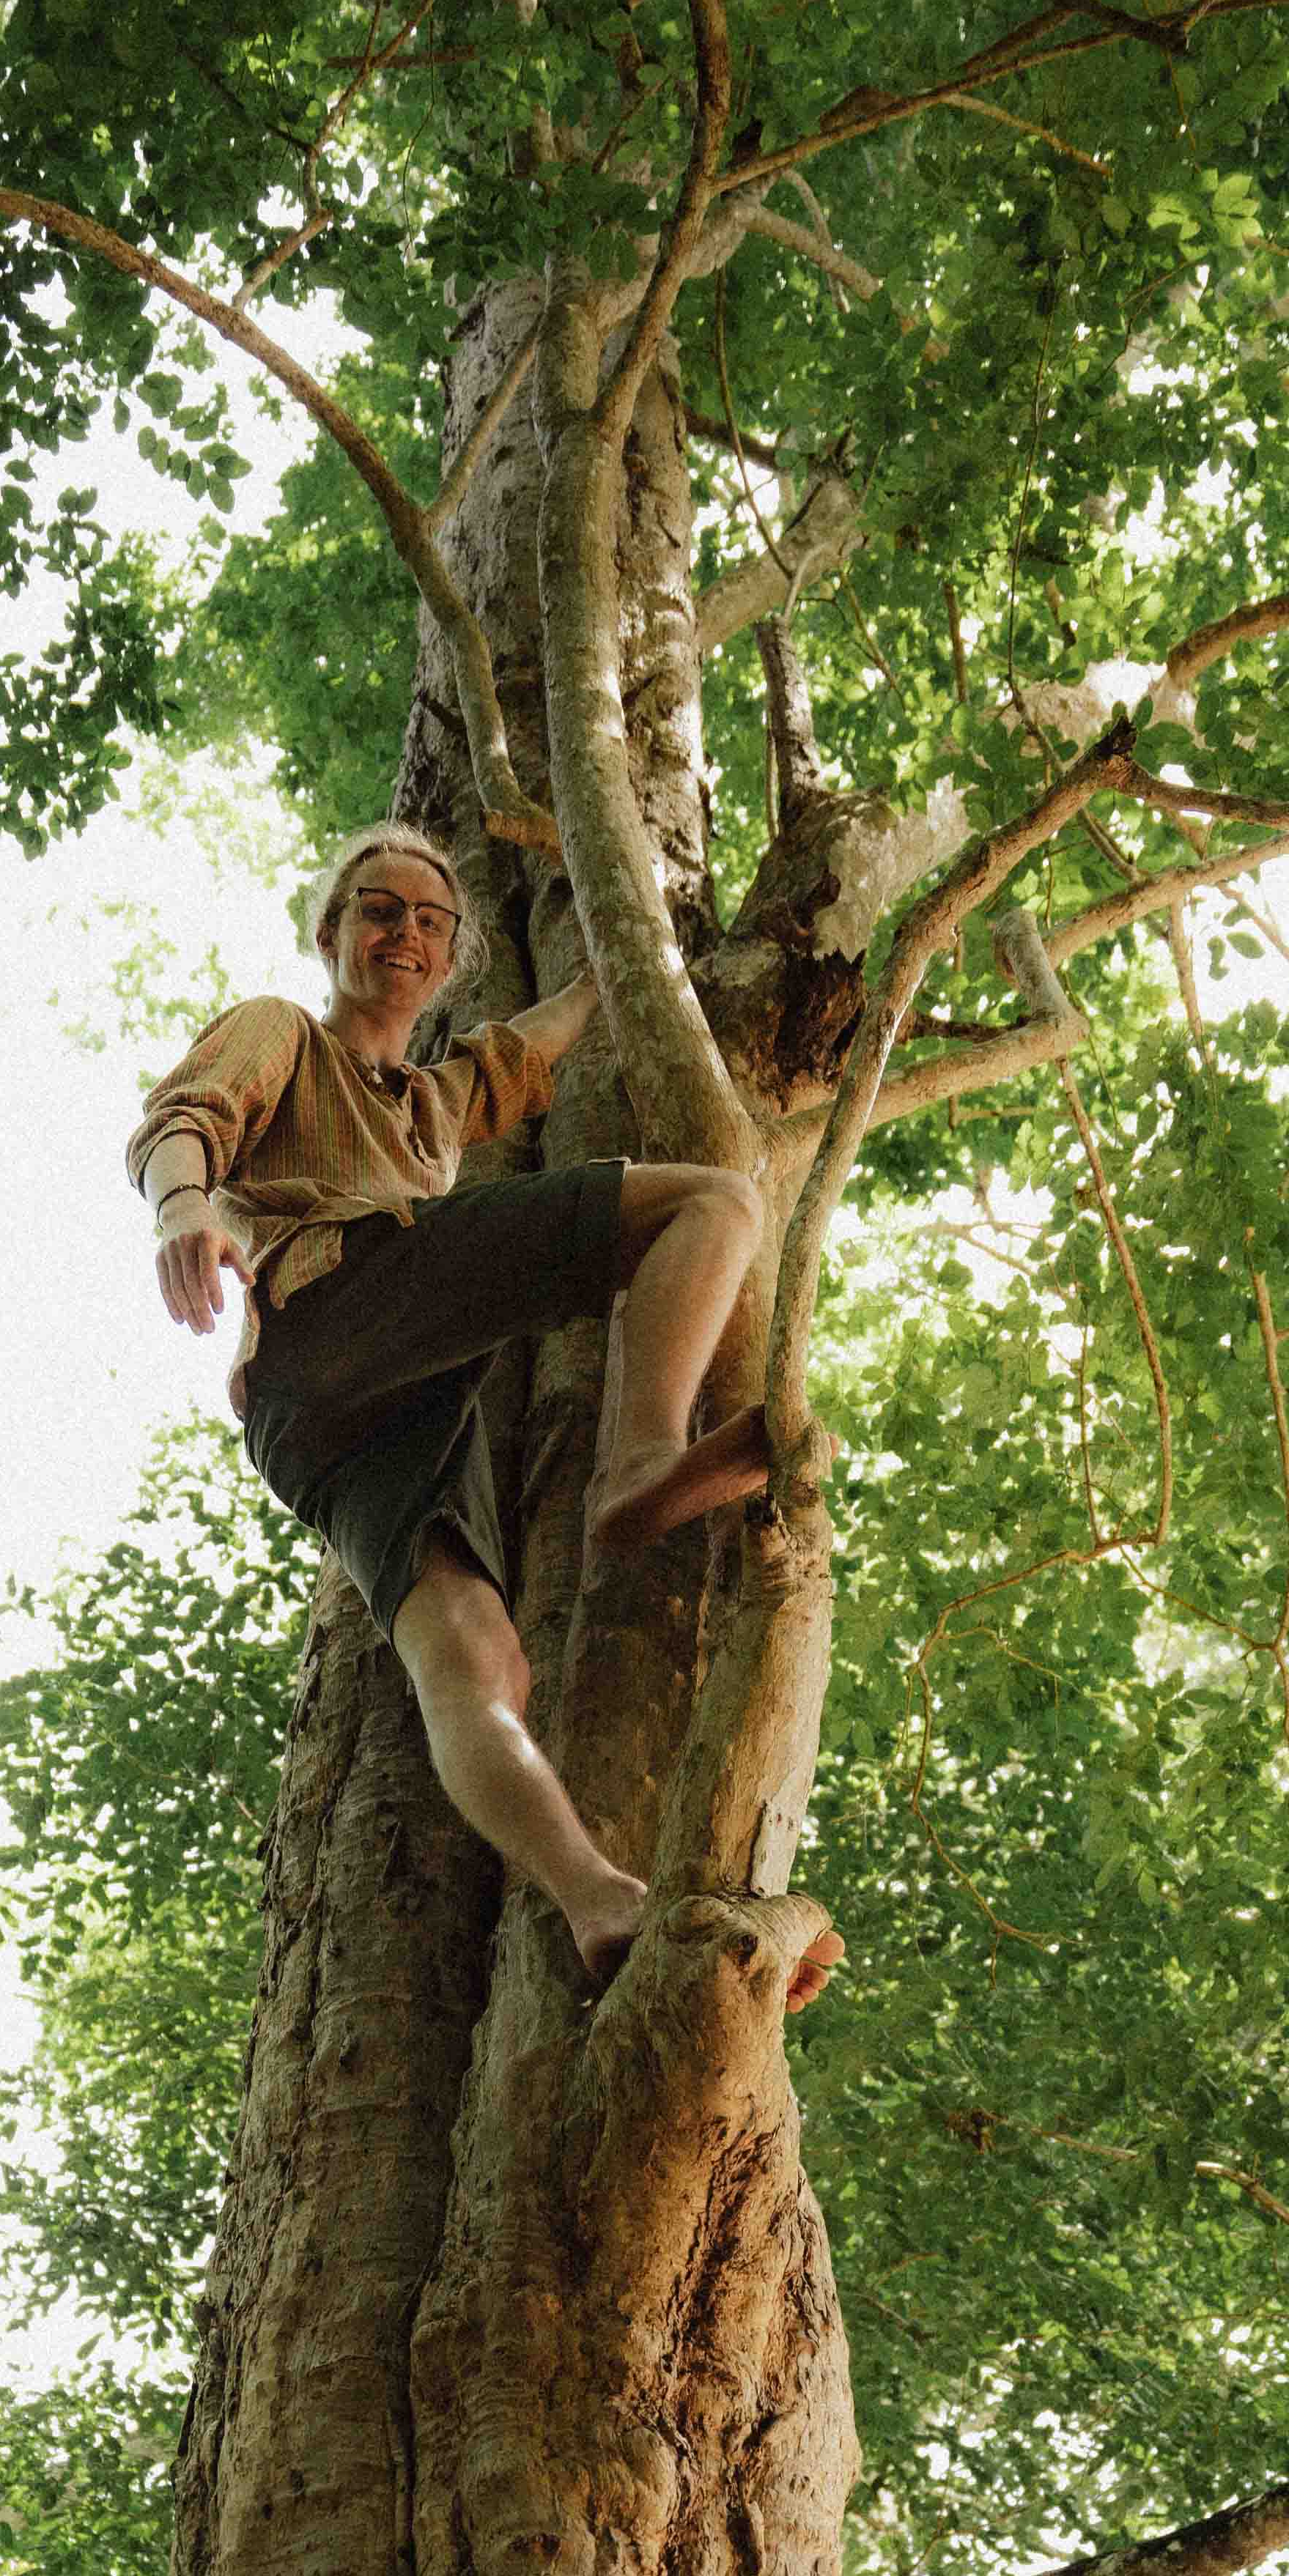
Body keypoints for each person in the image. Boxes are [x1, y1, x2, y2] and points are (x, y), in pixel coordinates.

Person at [128, 821, 780, 1996]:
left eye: (433, 924)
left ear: (449, 959)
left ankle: (595, 1898)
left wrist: (628, 964)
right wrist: (185, 1210)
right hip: (340, 1294)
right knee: (718, 1206)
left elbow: (524, 1054)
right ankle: (641, 1461)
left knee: (477, 1665)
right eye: (381, 911)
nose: (408, 936)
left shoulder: (429, 1108)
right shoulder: (284, 1030)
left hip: (335, 1423)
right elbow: (186, 1119)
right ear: (331, 935)